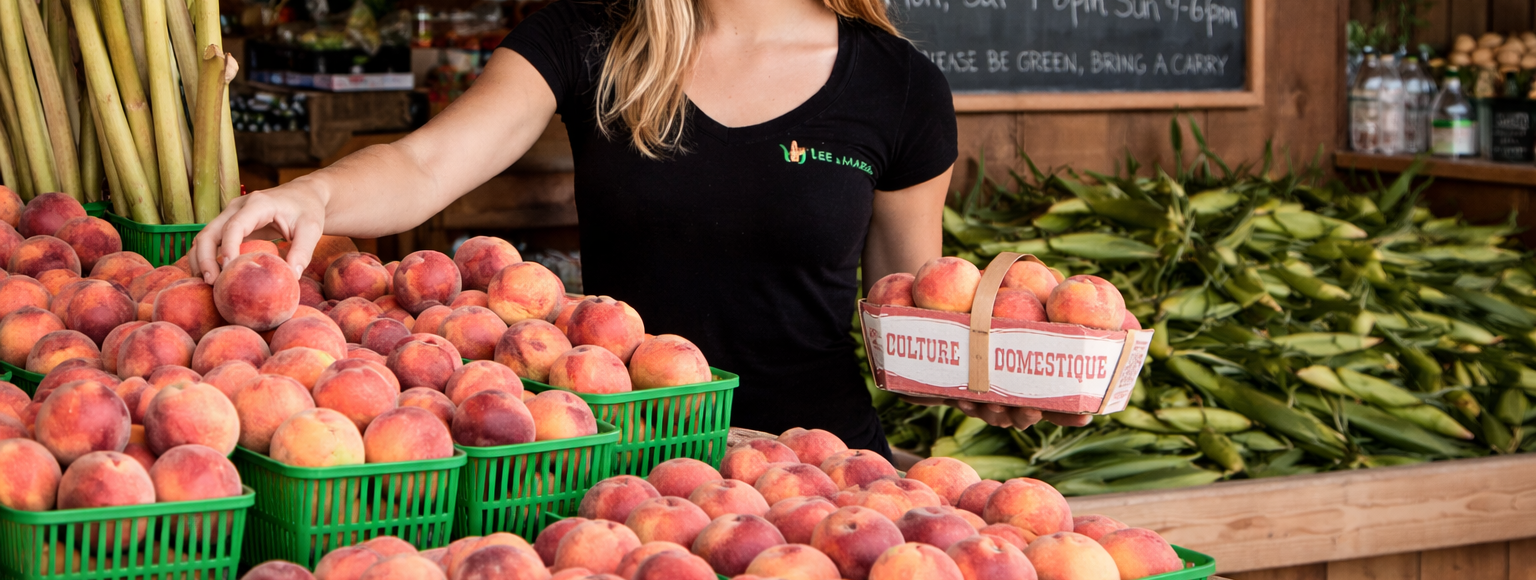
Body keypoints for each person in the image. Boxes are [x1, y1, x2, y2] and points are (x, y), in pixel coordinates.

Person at [190, 0, 1088, 456]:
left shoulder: (899, 86)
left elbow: (910, 314)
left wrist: (987, 377)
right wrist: (315, 195)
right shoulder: (597, 37)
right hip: (623, 468)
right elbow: (427, 165)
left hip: (819, 472)